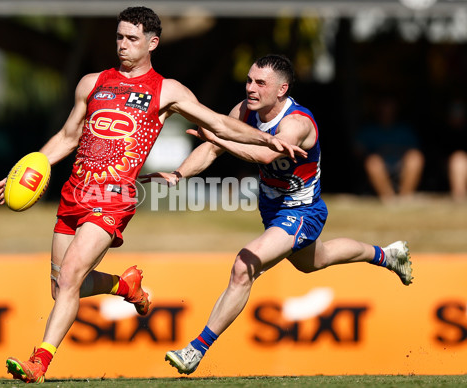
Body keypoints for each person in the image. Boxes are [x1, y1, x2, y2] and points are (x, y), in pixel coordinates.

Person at [0, 8, 305, 383]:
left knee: (72, 274)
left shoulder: (166, 90)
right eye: (119, 37)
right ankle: (126, 286)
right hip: (74, 192)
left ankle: (38, 362)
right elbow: (69, 136)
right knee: (61, 288)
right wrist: (27, 169)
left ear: (152, 43)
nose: (122, 45)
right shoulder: (91, 83)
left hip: (114, 197)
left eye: (132, 39)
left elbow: (218, 123)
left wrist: (265, 137)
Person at [141, 55, 413, 375]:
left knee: (244, 266)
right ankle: (387, 254)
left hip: (301, 211)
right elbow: (212, 148)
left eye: (260, 83)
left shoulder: (297, 123)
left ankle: (195, 349)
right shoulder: (244, 111)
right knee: (317, 260)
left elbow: (265, 153)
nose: (250, 88)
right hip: (272, 209)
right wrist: (178, 174)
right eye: (249, 80)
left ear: (282, 89)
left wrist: (220, 138)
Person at [355, 95, 424, 203]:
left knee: (415, 157)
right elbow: (358, 152)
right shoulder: (369, 130)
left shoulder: (404, 130)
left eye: (390, 108)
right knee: (373, 161)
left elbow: (414, 150)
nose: (387, 111)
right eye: (384, 108)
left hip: (401, 167)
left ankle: (404, 199)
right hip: (379, 168)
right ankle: (389, 200)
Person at [441, 99, 467, 202]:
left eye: (460, 112)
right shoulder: (443, 132)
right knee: (458, 160)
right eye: (454, 113)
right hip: (452, 167)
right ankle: (460, 200)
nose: (457, 116)